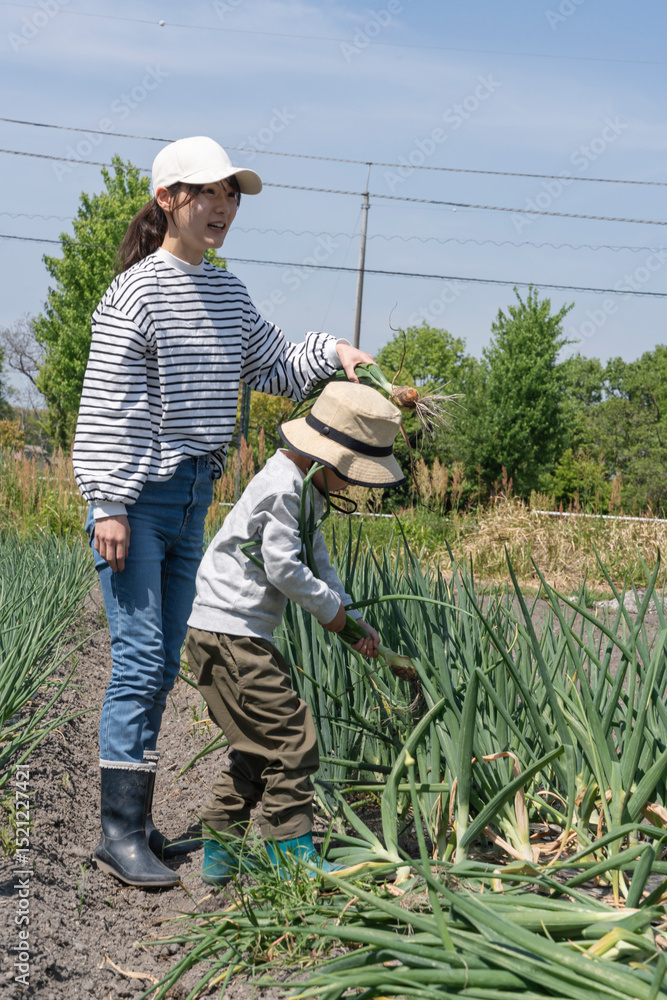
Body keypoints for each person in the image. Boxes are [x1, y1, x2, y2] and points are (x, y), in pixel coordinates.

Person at [72, 136, 374, 888]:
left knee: (162, 660)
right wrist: (107, 502)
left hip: (193, 498)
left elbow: (272, 363)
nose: (223, 207)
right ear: (167, 199)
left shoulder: (226, 294)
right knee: (140, 660)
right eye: (207, 192)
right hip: (139, 500)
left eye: (231, 195)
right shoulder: (136, 293)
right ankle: (119, 833)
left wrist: (332, 351)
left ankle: (138, 823)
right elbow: (108, 401)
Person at [185, 380, 405, 885]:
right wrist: (333, 616)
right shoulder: (283, 488)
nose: (354, 486)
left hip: (235, 633)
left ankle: (220, 850)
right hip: (229, 634)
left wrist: (351, 618)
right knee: (292, 736)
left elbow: (318, 562)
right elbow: (284, 568)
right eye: (353, 474)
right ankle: (291, 856)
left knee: (257, 745)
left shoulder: (304, 489)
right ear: (330, 459)